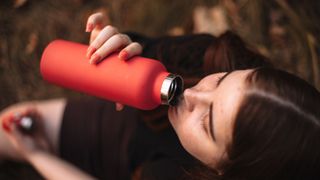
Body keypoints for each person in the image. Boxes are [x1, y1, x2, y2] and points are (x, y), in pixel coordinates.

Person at [0, 12, 320, 179]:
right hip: (111, 120)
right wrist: (118, 50)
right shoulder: (210, 57)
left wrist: (36, 155)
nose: (192, 93)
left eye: (208, 123)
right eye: (220, 82)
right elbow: (137, 53)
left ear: (227, 171)